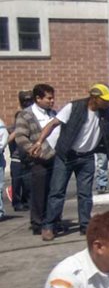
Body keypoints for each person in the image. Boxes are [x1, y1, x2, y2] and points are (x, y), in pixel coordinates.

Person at [32, 84, 109, 240]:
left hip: (86, 157)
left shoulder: (107, 112)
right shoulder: (73, 107)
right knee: (57, 192)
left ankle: (85, 226)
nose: (108, 103)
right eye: (105, 100)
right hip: (66, 156)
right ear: (95, 98)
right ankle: (49, 226)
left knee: (85, 194)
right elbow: (53, 124)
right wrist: (40, 141)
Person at [10, 84, 58, 237]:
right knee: (38, 192)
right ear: (38, 98)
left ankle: (52, 221)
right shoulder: (26, 115)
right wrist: (32, 150)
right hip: (37, 160)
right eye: (48, 98)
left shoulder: (53, 114)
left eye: (52, 98)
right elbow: (20, 136)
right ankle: (38, 223)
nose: (52, 101)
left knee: (53, 191)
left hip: (54, 157)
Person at [10, 90, 34, 211]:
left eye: (30, 100)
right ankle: (16, 202)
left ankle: (27, 201)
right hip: (18, 156)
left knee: (28, 182)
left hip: (29, 155)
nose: (28, 103)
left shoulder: (34, 116)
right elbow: (11, 136)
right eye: (25, 101)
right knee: (17, 182)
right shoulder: (20, 115)